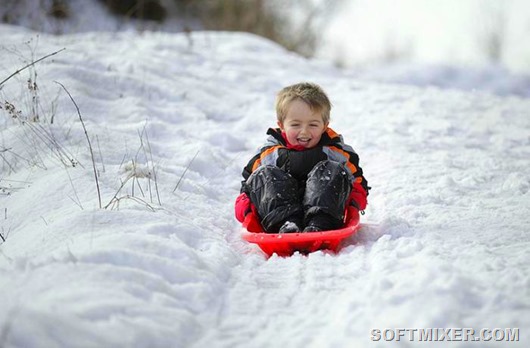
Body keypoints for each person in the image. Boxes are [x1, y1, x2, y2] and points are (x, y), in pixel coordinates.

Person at [235, 82, 369, 233]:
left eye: (313, 125)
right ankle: (287, 224)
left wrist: (354, 203)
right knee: (263, 173)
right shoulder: (269, 153)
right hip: (279, 215)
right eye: (296, 125)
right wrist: (245, 205)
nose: (304, 132)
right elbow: (250, 183)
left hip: (326, 212)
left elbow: (358, 181)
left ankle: (318, 223)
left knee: (332, 169)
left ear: (324, 126)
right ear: (282, 125)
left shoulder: (336, 151)